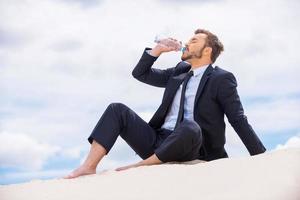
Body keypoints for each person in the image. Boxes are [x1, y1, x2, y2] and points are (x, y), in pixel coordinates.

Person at [64, 28, 266, 179]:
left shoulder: (222, 78)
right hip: (158, 141)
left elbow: (237, 118)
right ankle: (88, 166)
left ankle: (143, 165)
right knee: (117, 109)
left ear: (207, 50)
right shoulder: (179, 72)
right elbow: (140, 74)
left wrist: (261, 157)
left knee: (189, 125)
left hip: (193, 145)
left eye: (194, 41)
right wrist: (158, 50)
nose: (187, 43)